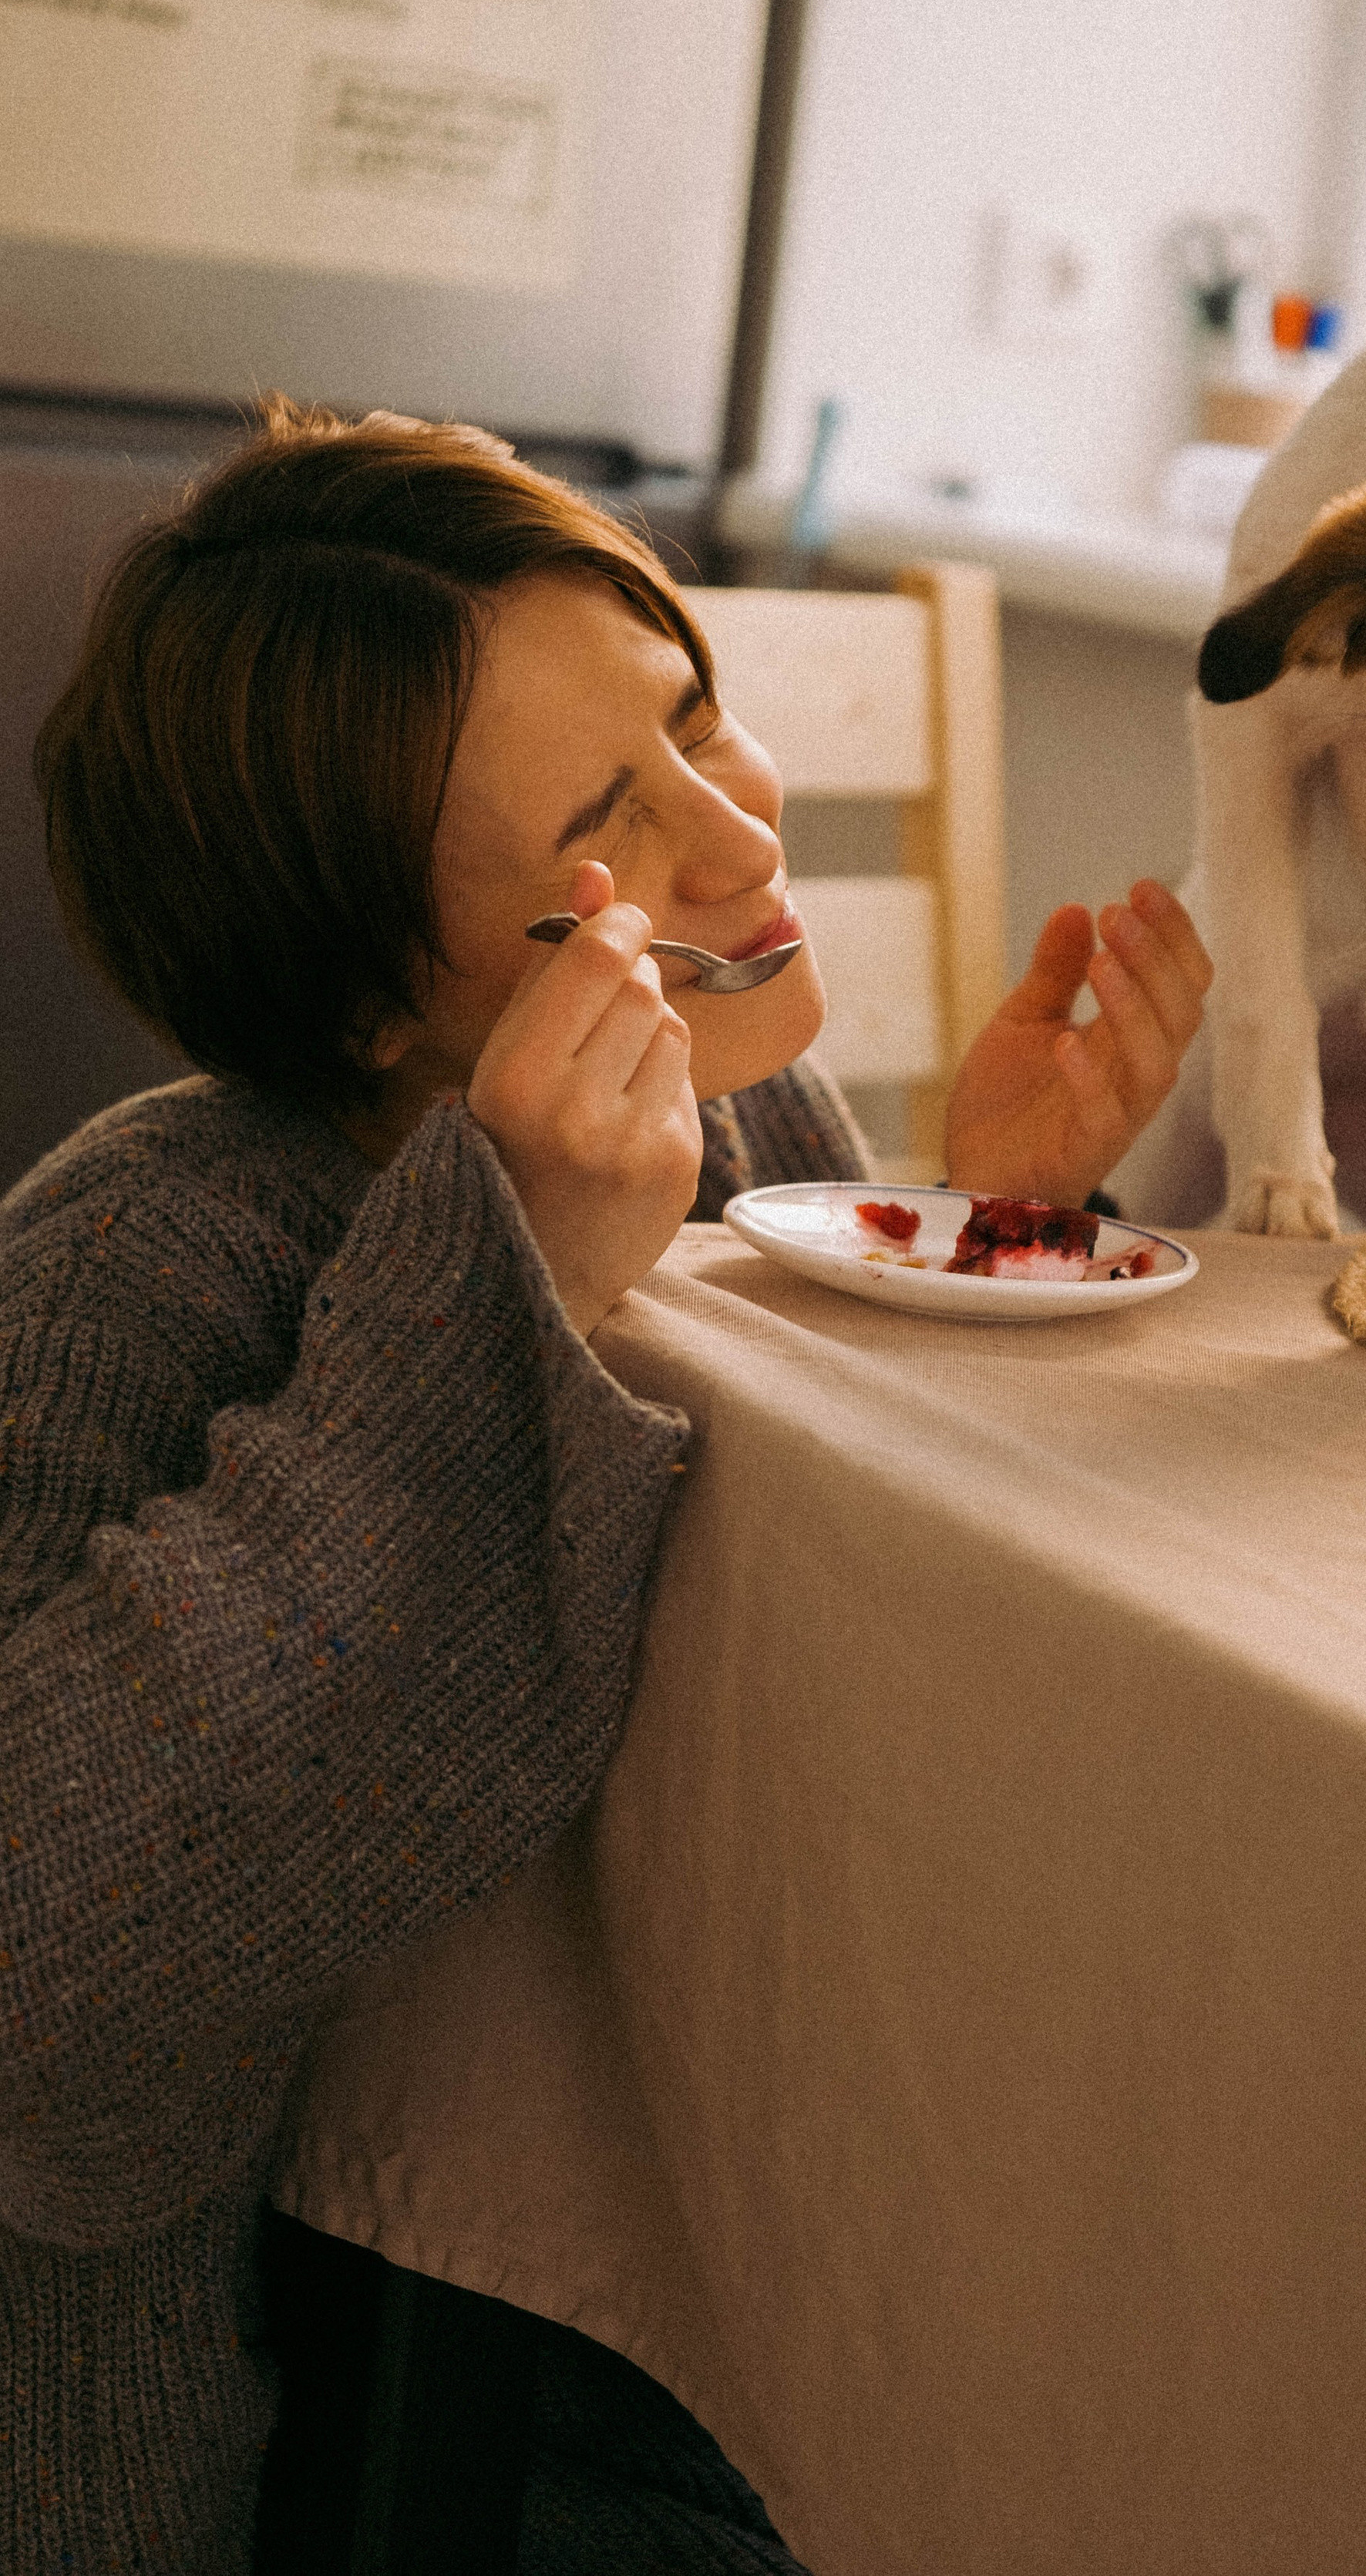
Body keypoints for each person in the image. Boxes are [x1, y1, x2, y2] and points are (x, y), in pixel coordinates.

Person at [2, 398, 1211, 2571]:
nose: (745, 841)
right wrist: (505, 1285)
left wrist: (982, 1217)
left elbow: (802, 1606)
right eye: (607, 825)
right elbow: (47, 1988)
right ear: (383, 992)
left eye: (701, 722)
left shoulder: (748, 1129)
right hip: (310, 2430)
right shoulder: (134, 1265)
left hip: (661, 2292)